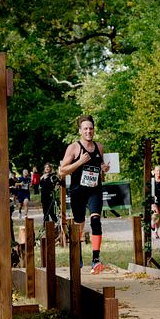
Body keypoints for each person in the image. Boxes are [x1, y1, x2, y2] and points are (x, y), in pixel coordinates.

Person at [59, 115, 110, 274]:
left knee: (96, 220)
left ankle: (96, 259)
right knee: (79, 225)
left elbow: (100, 169)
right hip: (78, 191)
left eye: (91, 128)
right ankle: (78, 255)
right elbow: (62, 171)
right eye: (85, 128)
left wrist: (103, 169)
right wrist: (80, 161)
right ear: (80, 131)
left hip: (94, 189)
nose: (89, 131)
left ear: (94, 130)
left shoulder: (99, 147)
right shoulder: (73, 148)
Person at [150, 165, 160, 239]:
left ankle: (156, 231)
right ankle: (152, 223)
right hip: (153, 199)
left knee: (159, 217)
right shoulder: (152, 180)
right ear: (155, 171)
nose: (158, 172)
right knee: (156, 212)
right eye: (157, 170)